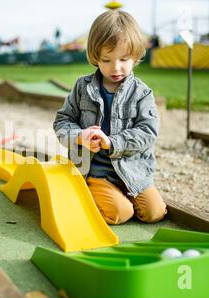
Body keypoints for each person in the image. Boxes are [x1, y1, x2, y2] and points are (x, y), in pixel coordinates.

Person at [53, 9, 167, 225]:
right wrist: (79, 136)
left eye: (124, 59)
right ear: (96, 57)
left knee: (155, 213)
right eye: (107, 60)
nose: (116, 68)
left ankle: (120, 196)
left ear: (135, 56)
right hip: (96, 171)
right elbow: (62, 121)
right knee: (119, 213)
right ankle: (83, 194)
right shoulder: (82, 87)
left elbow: (148, 132)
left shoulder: (142, 93)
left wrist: (113, 142)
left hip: (132, 170)